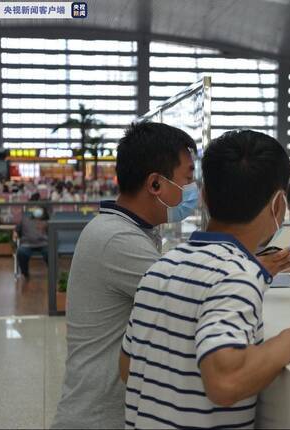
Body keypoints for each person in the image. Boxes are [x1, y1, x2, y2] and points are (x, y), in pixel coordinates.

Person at [119, 130, 290, 428]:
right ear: (278, 205)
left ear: (203, 196)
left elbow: (127, 367)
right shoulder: (238, 275)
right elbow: (224, 381)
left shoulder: (162, 266)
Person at [52, 122, 198, 429]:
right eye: (188, 177)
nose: (194, 188)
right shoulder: (118, 239)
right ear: (155, 184)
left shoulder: (132, 230)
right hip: (99, 419)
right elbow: (189, 301)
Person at [14, 193, 48, 279]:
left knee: (50, 252)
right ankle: (25, 273)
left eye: (39, 208)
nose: (37, 210)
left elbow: (52, 232)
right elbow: (16, 229)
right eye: (36, 208)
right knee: (21, 252)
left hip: (43, 244)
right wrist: (15, 233)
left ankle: (52, 273)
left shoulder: (47, 221)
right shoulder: (25, 219)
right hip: (27, 244)